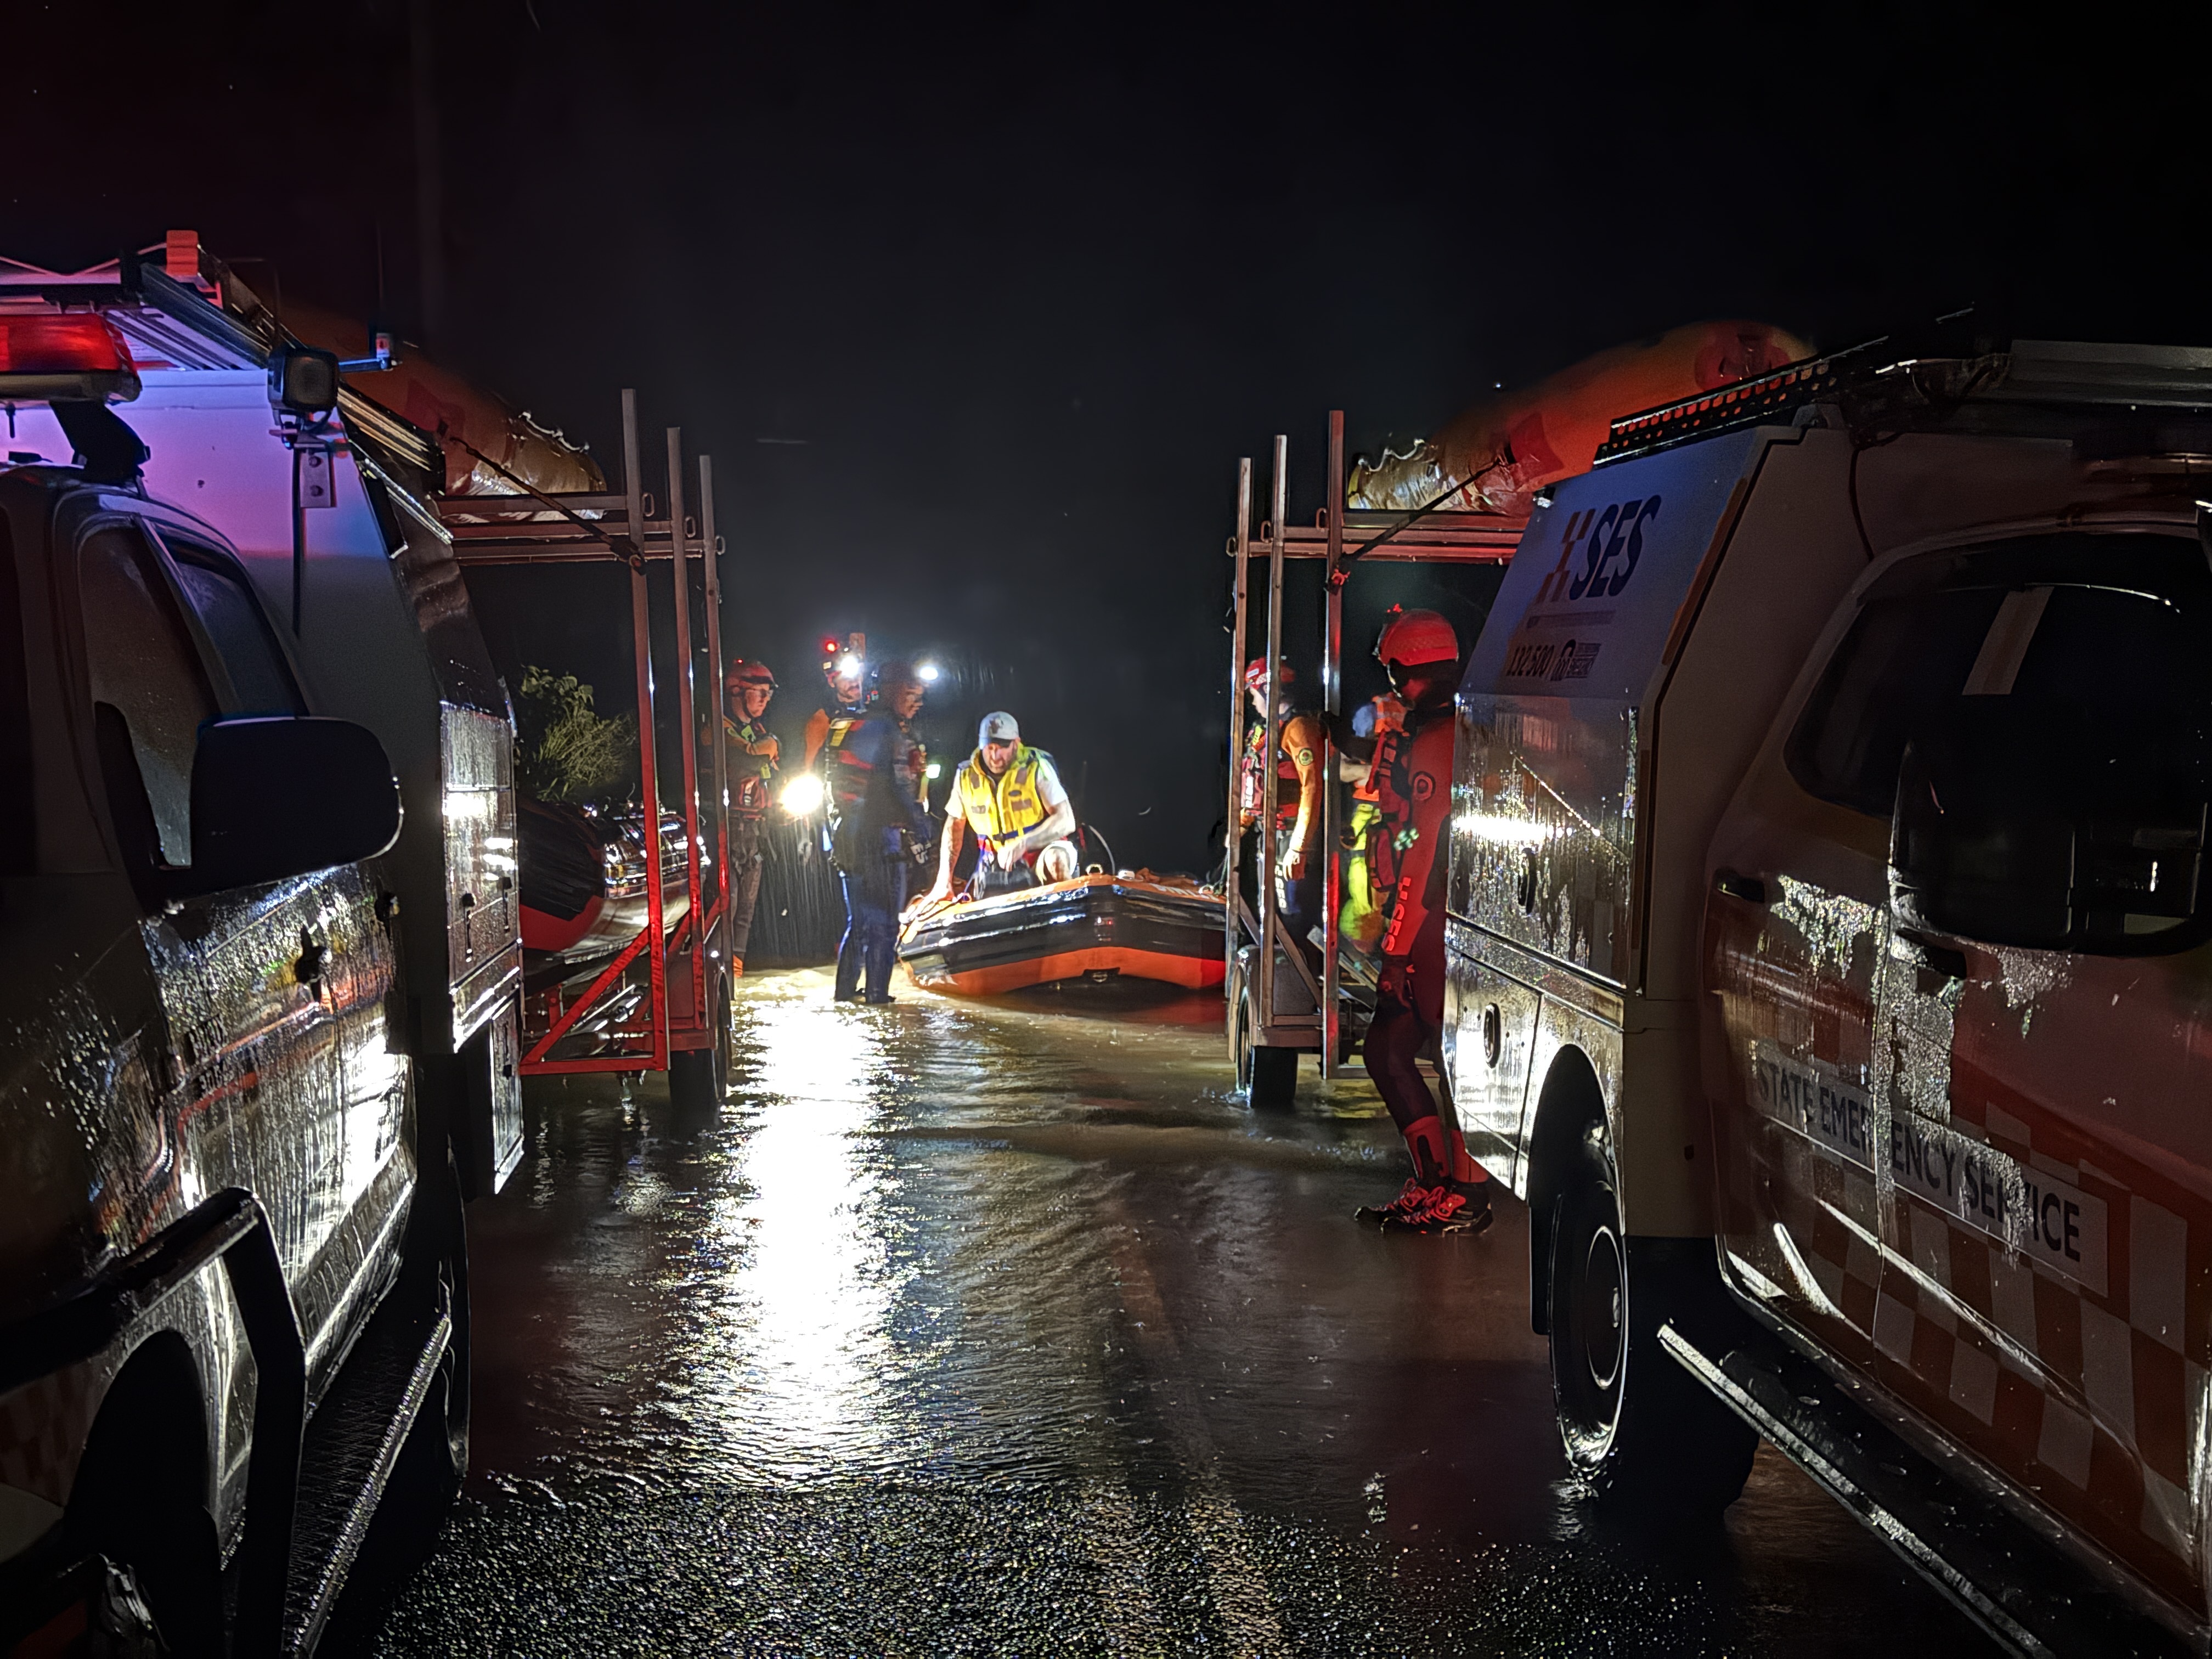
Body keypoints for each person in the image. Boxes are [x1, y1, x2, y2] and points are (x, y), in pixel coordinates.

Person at [1345, 608, 1494, 1235]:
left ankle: (1464, 1194)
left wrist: (1398, 952)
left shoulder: (1437, 742)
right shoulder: (1451, 731)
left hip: (1435, 925)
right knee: (1394, 1048)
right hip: (1446, 919)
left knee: (1437, 1053)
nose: (1391, 686)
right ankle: (1438, 1183)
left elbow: (1425, 851)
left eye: (1394, 673)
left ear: (1412, 670)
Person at [826, 659, 932, 1003]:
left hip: (847, 838)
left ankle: (844, 995)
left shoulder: (852, 725)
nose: (918, 700)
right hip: (881, 839)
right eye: (911, 693)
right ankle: (877, 999)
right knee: (885, 924)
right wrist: (921, 828)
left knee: (859, 923)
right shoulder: (889, 732)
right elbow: (901, 789)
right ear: (890, 691)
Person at [921, 712, 1079, 904]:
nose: (995, 756)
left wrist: (1023, 844)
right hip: (993, 861)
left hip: (1039, 851)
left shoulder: (1036, 767)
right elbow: (954, 826)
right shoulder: (966, 776)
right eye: (990, 748)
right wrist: (943, 882)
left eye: (1003, 748)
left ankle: (1070, 917)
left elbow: (1066, 820)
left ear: (1016, 743)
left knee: (1057, 859)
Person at [1237, 658, 1326, 951]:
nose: (1252, 701)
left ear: (1267, 690)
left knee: (1294, 915)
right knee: (1272, 914)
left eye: (1253, 693)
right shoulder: (1264, 731)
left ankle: (1307, 982)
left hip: (1290, 836)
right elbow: (1254, 780)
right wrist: (1242, 824)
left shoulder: (1298, 728)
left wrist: (1298, 847)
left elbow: (1312, 786)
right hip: (1270, 835)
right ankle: (1283, 980)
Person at [720, 658, 779, 973]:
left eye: (769, 694)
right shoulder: (717, 727)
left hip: (754, 828)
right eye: (759, 692)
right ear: (737, 691)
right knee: (725, 908)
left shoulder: (758, 731)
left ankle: (736, 974)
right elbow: (747, 760)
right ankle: (716, 971)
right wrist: (768, 747)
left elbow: (767, 770)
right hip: (726, 829)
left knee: (746, 909)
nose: (765, 700)